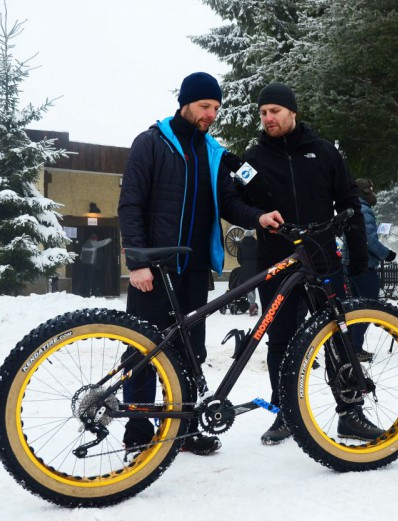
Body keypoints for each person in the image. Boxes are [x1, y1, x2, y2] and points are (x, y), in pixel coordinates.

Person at [118, 72, 283, 456]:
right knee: (143, 350)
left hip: (193, 270)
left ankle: (186, 428)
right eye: (205, 106)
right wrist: (137, 261)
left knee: (192, 351)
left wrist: (257, 217)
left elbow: (228, 203)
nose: (211, 114)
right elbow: (130, 205)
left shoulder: (212, 152)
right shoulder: (151, 143)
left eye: (216, 108)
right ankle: (138, 429)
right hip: (154, 269)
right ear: (186, 103)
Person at [240, 82, 381, 446]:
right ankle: (285, 412)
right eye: (263, 113)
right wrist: (256, 215)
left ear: (292, 112)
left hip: (322, 261)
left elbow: (348, 201)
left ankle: (350, 414)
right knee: (280, 340)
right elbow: (235, 202)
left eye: (274, 111)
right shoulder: (254, 159)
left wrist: (359, 256)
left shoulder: (323, 153)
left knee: (337, 337)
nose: (268, 118)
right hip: (277, 260)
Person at [342, 178, 396, 358]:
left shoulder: (356, 208)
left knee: (358, 307)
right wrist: (387, 254)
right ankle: (354, 348)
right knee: (368, 307)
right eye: (371, 190)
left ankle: (350, 347)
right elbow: (368, 240)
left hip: (353, 264)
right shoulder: (363, 210)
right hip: (362, 265)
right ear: (365, 192)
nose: (374, 193)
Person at [237, 229, 260, 316]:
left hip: (245, 267)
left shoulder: (241, 244)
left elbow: (239, 258)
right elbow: (259, 255)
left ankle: (252, 305)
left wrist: (243, 263)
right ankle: (252, 305)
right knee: (253, 287)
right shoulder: (256, 243)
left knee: (248, 287)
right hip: (254, 267)